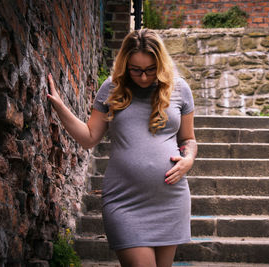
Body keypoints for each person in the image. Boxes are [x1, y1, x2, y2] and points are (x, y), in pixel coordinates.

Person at [47, 29, 197, 267]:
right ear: (125, 64)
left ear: (160, 64)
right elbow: (88, 138)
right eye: (136, 70)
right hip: (124, 200)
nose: (144, 77)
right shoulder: (112, 88)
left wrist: (188, 159)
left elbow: (188, 139)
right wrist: (59, 108)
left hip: (169, 199)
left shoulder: (180, 89)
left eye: (150, 69)